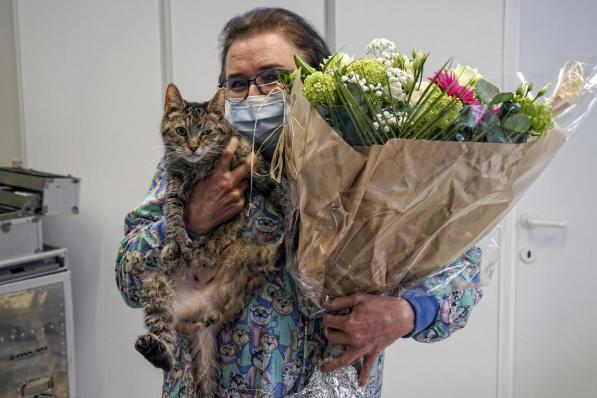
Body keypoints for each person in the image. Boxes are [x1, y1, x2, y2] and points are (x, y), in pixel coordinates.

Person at [115, 7, 483, 398]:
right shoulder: (196, 165)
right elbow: (128, 279)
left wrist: (407, 314)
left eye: (273, 77)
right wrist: (192, 219)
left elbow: (459, 265)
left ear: (316, 78)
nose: (253, 94)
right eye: (237, 83)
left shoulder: (372, 163)